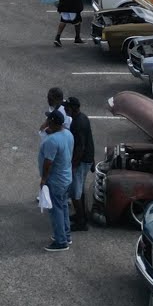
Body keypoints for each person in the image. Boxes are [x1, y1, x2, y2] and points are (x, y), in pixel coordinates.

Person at [38, 110, 74, 252]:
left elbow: (48, 162)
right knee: (63, 207)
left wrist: (43, 179)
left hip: (56, 180)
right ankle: (66, 235)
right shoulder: (68, 134)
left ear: (52, 122)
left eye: (48, 120)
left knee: (56, 211)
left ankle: (61, 241)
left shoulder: (52, 140)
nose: (47, 122)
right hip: (66, 178)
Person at [63, 97, 94, 231]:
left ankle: (82, 222)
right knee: (79, 190)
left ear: (73, 108)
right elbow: (88, 141)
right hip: (86, 159)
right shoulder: (82, 118)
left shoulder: (78, 123)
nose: (65, 109)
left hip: (81, 162)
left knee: (75, 192)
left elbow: (81, 146)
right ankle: (81, 215)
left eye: (67, 107)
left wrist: (73, 165)